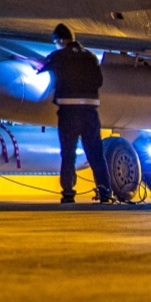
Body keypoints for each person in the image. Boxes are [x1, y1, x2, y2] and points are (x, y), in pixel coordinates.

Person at [41, 24, 109, 204]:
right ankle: (104, 190)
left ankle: (69, 192)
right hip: (90, 112)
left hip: (69, 112)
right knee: (95, 152)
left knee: (69, 153)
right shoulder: (90, 56)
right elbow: (99, 81)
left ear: (60, 41)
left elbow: (41, 68)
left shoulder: (58, 56)